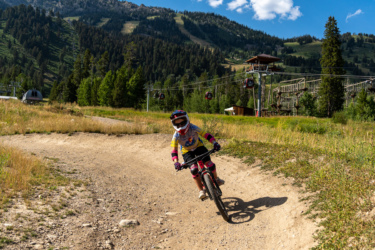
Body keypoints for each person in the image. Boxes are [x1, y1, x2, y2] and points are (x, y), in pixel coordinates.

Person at [170, 110, 224, 200]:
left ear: (187, 120)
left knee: (210, 165)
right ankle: (201, 190)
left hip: (199, 147)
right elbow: (174, 150)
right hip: (187, 152)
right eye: (177, 124)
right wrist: (176, 162)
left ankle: (216, 179)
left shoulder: (193, 128)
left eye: (182, 123)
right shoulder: (176, 136)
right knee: (194, 169)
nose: (180, 126)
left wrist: (215, 143)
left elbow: (206, 135)